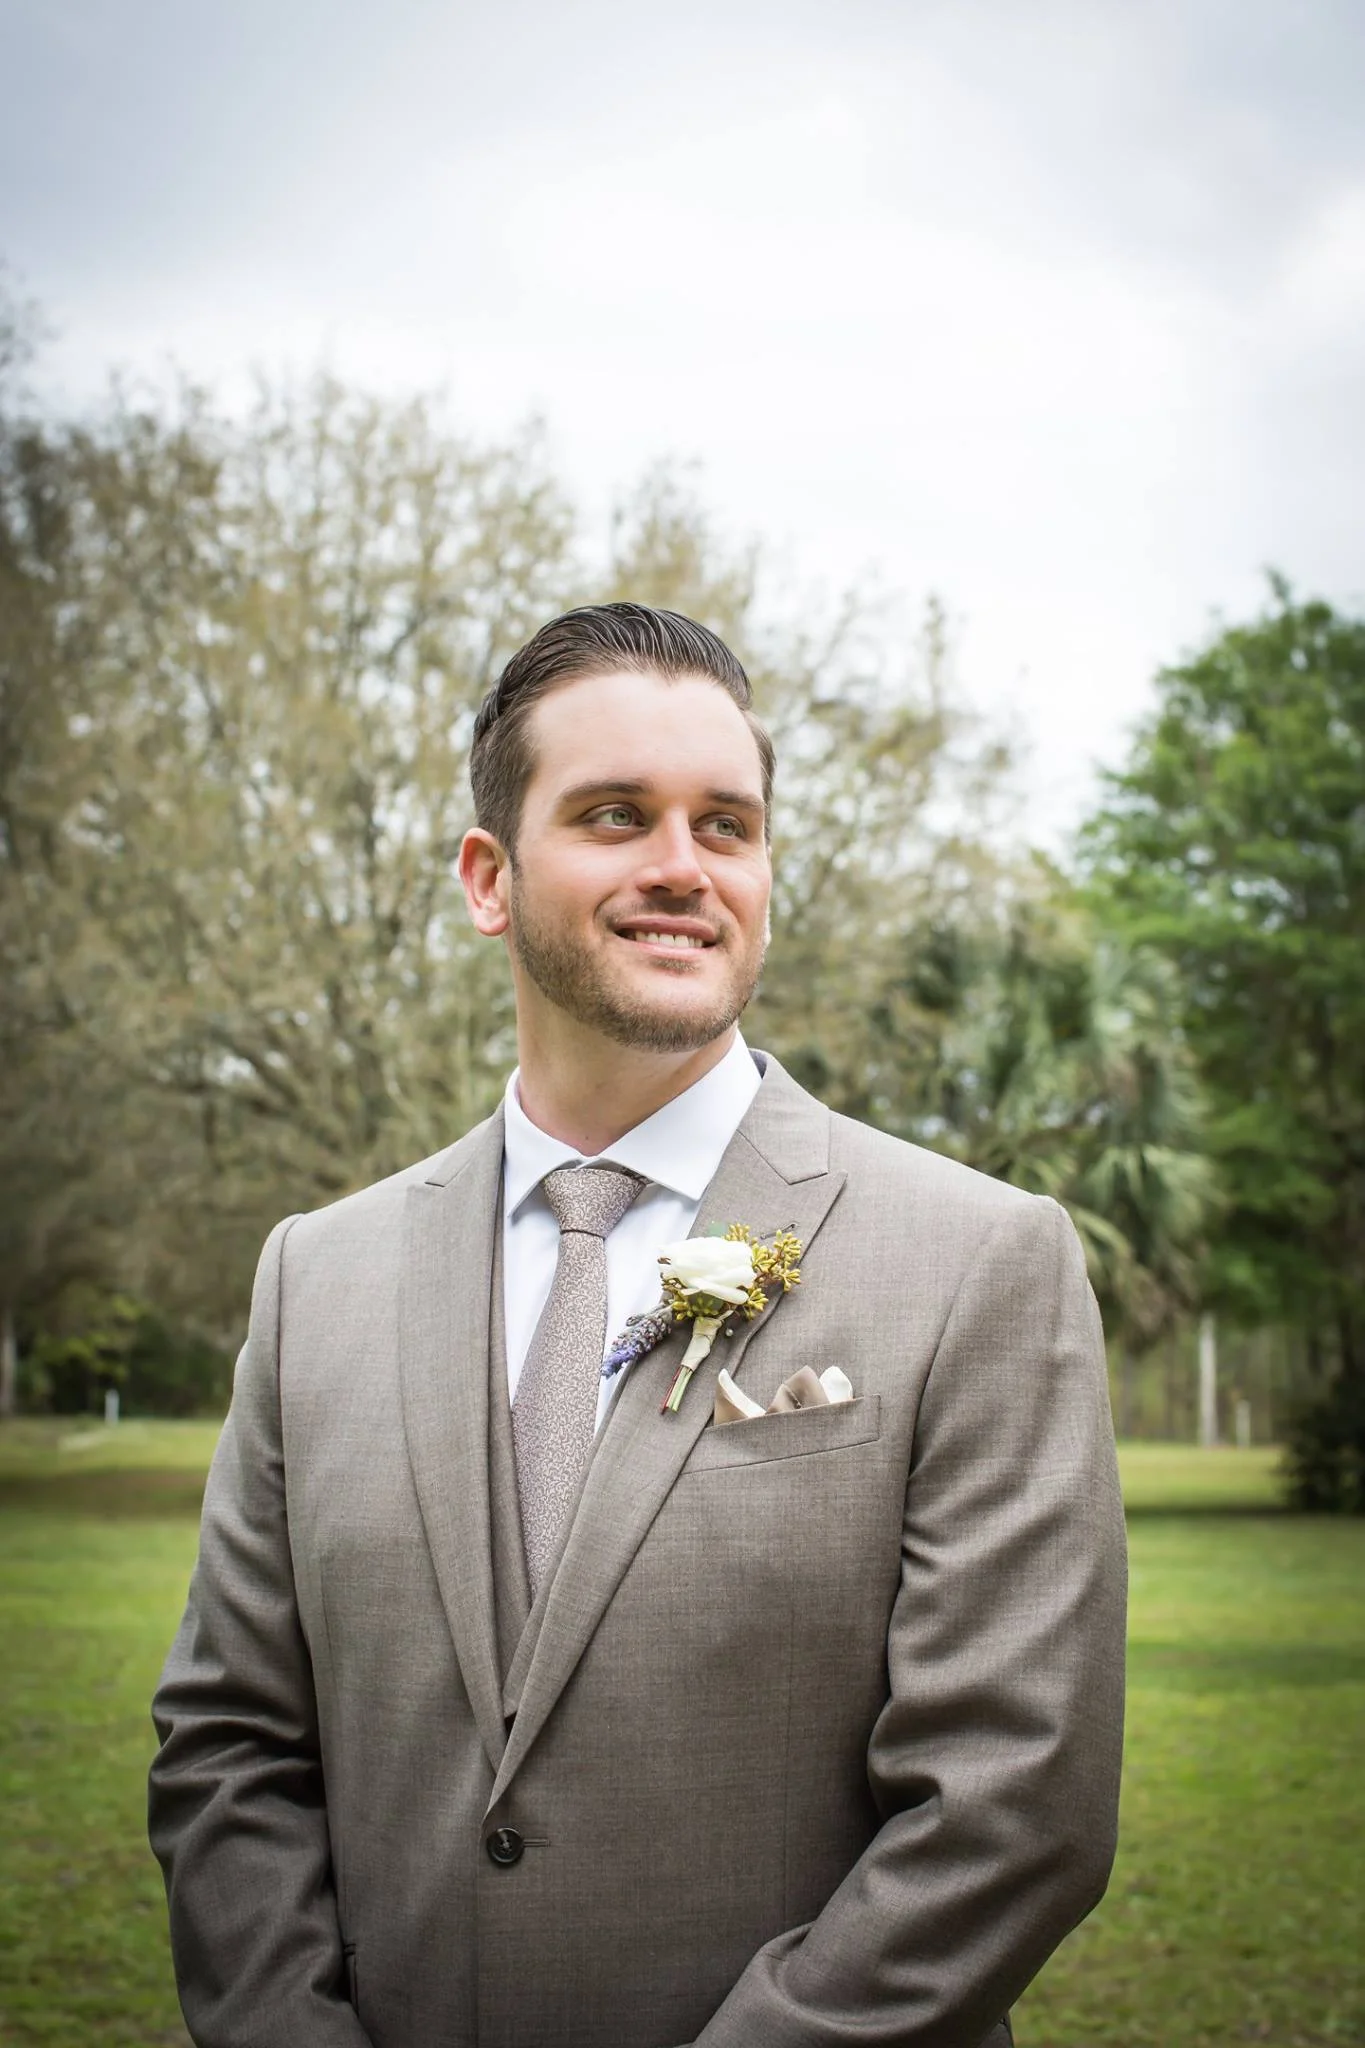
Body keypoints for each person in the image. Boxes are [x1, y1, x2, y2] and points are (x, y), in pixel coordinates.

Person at [149, 602, 1126, 2048]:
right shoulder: (317, 1278)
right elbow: (231, 1754)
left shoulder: (981, 1260)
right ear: (488, 878)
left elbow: (1012, 1803)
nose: (683, 868)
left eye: (726, 826)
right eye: (617, 816)